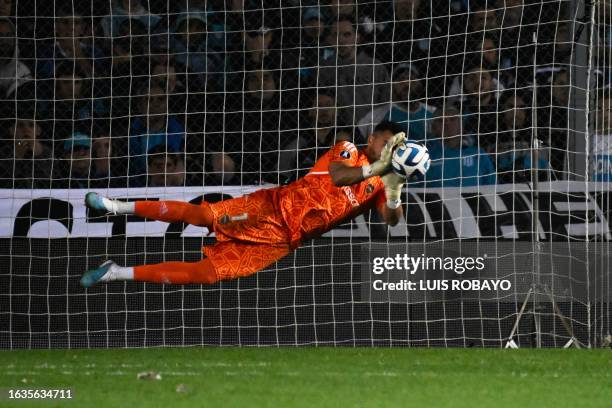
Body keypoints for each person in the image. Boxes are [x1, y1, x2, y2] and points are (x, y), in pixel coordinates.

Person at [80, 122, 410, 287]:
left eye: (397, 147)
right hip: (271, 207)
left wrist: (394, 189)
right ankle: (114, 206)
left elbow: (392, 220)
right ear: (372, 139)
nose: (390, 148)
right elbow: (339, 177)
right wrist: (379, 169)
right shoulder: (348, 149)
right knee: (200, 215)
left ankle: (115, 272)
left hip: (282, 240)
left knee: (206, 275)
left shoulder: (382, 184)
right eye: (387, 142)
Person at [416, 106, 496, 188]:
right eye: (441, 120)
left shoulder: (478, 155)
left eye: (452, 119)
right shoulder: (423, 156)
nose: (447, 123)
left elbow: (492, 186)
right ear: (433, 128)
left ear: (461, 125)